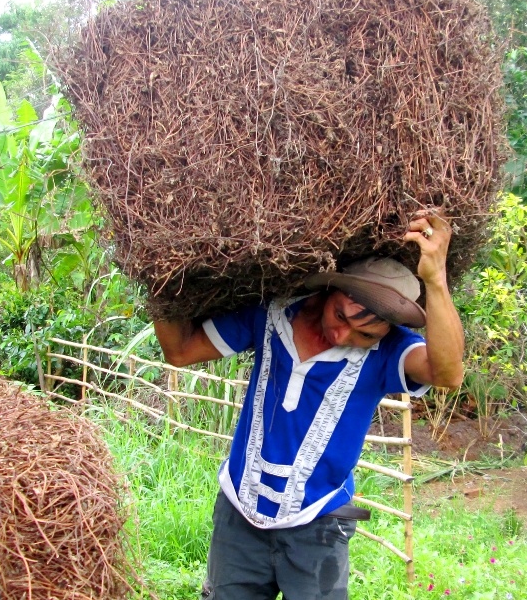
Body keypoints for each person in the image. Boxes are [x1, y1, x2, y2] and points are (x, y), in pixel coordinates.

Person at [153, 211, 464, 600]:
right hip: (238, 513)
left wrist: (435, 279)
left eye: (364, 334)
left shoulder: (388, 352)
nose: (341, 334)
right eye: (341, 316)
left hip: (318, 523)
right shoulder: (270, 315)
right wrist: (158, 273)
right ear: (330, 289)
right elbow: (180, 351)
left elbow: (448, 374)